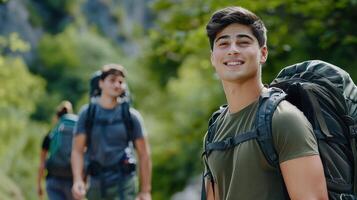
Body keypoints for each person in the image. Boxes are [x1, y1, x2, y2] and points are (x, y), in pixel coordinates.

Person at [202, 6, 328, 200]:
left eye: (243, 42)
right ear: (213, 58)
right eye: (223, 43)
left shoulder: (284, 120)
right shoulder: (213, 131)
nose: (233, 50)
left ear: (263, 53)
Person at [71, 64, 152, 200]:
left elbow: (144, 154)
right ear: (101, 83)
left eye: (121, 82)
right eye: (112, 80)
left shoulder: (131, 116)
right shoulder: (87, 114)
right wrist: (78, 180)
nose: (117, 85)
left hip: (124, 182)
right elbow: (77, 150)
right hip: (96, 183)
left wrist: (145, 190)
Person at [37, 100, 77, 200]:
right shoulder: (76, 135)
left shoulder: (51, 135)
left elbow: (42, 164)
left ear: (57, 117)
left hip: (53, 180)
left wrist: (39, 185)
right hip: (72, 180)